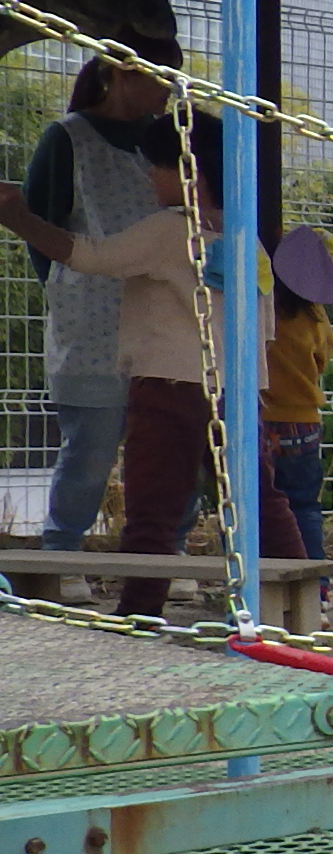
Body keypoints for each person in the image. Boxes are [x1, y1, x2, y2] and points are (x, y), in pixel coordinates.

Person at [0, 113, 301, 618]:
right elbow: (264, 327)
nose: (148, 178)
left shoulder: (168, 230)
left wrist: (20, 219)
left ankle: (140, 612)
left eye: (156, 167)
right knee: (258, 498)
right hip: (235, 390)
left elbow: (91, 256)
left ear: (188, 172)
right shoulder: (245, 240)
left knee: (152, 507)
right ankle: (304, 598)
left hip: (168, 388)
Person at [23, 39, 179, 550]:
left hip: (165, 319)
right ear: (121, 72)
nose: (170, 88)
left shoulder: (172, 137)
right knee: (90, 451)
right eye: (161, 75)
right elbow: (40, 228)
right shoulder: (68, 138)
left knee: (170, 447)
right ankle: (63, 552)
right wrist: (68, 289)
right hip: (93, 324)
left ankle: (167, 549)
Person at [264, 226, 333, 562]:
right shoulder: (315, 314)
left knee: (256, 501)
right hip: (304, 421)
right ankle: (314, 578)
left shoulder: (261, 304)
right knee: (305, 504)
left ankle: (258, 576)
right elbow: (323, 357)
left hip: (262, 417)